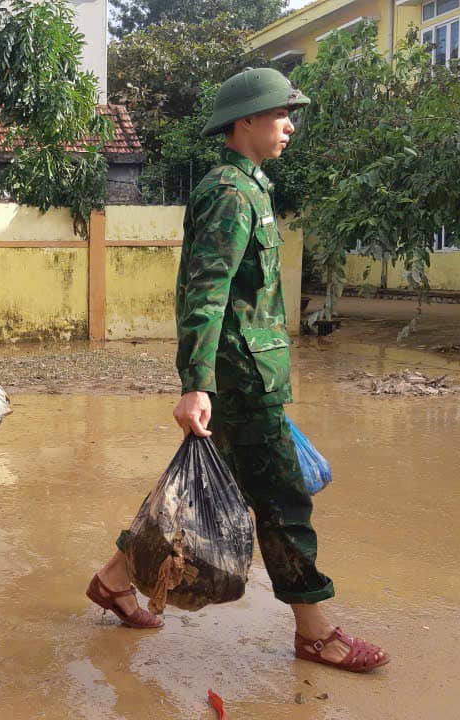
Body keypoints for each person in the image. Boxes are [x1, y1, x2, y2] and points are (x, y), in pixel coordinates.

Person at [85, 69, 389, 673]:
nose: (289, 125)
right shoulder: (230, 191)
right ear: (245, 121)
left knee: (198, 496)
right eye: (280, 114)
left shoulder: (252, 186)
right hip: (239, 382)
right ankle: (314, 631)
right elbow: (206, 293)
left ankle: (113, 579)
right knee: (281, 501)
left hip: (253, 375)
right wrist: (196, 383)